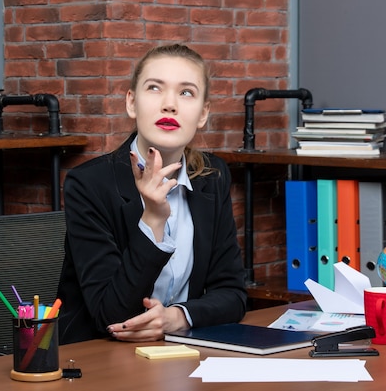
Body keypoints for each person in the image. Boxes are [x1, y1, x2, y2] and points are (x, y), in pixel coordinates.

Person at [57, 43, 247, 344]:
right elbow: (111, 316)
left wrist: (177, 317)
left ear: (203, 113)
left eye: (186, 92)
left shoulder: (213, 177)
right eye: (155, 88)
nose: (169, 105)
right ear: (132, 103)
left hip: (179, 355)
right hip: (96, 361)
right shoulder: (88, 184)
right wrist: (153, 219)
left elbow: (233, 293)